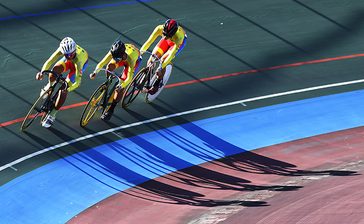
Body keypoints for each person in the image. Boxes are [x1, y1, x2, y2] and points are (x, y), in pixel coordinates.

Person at [35, 37, 89, 128]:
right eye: (66, 55)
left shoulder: (78, 60)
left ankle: (53, 114)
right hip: (69, 63)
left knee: (64, 90)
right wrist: (42, 72)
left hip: (78, 66)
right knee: (54, 70)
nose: (68, 57)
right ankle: (49, 86)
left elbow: (78, 82)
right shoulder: (63, 50)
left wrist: (67, 89)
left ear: (74, 51)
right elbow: (50, 61)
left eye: (70, 55)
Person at [89, 40, 141, 121]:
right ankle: (108, 83)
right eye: (114, 58)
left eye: (117, 58)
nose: (115, 59)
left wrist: (122, 86)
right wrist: (95, 72)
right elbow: (102, 63)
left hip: (134, 60)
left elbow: (129, 77)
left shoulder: (131, 59)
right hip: (124, 55)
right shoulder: (114, 52)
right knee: (109, 66)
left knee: (120, 88)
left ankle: (111, 109)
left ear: (123, 54)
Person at [140, 19, 187, 94]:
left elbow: (171, 55)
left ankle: (158, 81)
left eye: (167, 35)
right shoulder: (159, 29)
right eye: (164, 34)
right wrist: (140, 53)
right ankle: (147, 78)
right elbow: (149, 42)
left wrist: (160, 67)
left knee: (163, 60)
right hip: (168, 41)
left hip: (176, 44)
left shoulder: (179, 37)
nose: (164, 37)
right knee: (152, 58)